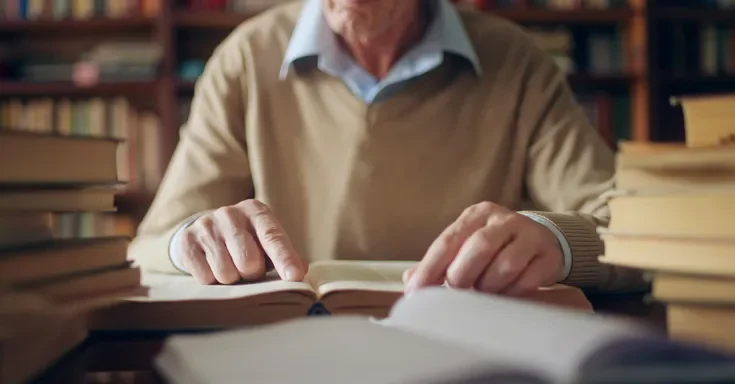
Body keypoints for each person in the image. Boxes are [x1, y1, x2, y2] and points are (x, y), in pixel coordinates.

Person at [129, 0, 645, 295]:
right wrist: (193, 241)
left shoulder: (517, 63)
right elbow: (151, 246)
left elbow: (633, 231)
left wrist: (555, 241)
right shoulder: (245, 59)